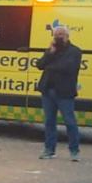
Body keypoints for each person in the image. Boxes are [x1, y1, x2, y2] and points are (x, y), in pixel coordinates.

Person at [34, 25, 83, 161]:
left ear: (67, 36)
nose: (58, 37)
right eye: (56, 35)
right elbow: (39, 65)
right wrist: (50, 53)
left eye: (61, 34)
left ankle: (74, 150)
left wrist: (50, 67)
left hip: (64, 92)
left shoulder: (75, 51)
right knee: (49, 121)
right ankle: (49, 150)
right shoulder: (51, 50)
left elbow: (68, 67)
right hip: (48, 90)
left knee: (70, 122)